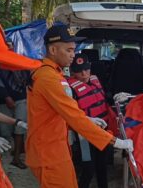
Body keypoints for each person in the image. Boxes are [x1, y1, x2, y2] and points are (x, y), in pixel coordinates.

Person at [26, 25, 133, 187]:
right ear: (53, 50)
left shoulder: (53, 73)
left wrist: (88, 119)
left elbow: (58, 111)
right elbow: (73, 116)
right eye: (68, 50)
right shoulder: (48, 78)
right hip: (48, 153)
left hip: (56, 148)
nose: (72, 55)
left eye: (73, 50)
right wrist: (115, 142)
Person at [0, 22, 41, 188]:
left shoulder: (17, 66)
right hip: (6, 99)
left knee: (16, 132)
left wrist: (16, 122)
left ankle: (15, 157)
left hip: (19, 98)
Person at [67, 53, 117, 188]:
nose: (84, 73)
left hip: (102, 130)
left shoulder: (95, 80)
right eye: (79, 71)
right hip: (85, 136)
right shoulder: (70, 89)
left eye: (86, 69)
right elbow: (70, 114)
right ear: (72, 72)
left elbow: (103, 99)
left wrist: (116, 98)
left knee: (102, 165)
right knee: (88, 169)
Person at [0, 40, 30, 169]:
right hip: (2, 100)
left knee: (19, 129)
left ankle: (16, 158)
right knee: (5, 132)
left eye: (11, 47)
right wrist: (6, 97)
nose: (9, 50)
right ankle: (4, 161)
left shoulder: (18, 60)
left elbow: (27, 77)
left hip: (20, 97)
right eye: (7, 48)